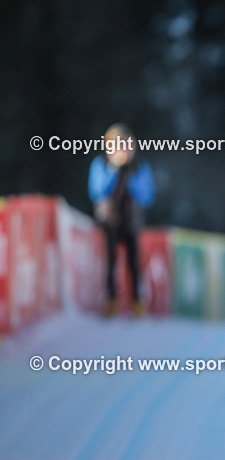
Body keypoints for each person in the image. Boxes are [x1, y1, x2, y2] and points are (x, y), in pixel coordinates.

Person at [88, 123, 155, 316]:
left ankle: (137, 302)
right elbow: (96, 192)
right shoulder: (101, 164)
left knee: (134, 262)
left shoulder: (139, 166)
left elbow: (147, 196)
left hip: (131, 221)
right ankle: (111, 301)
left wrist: (130, 175)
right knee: (109, 262)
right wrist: (113, 170)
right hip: (108, 221)